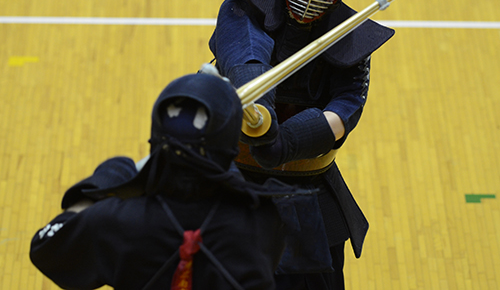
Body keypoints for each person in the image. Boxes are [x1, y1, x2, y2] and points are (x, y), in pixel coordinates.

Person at [209, 0, 395, 289]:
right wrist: (260, 112)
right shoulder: (242, 9)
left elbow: (346, 108)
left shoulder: (350, 39)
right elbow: (246, 57)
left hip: (306, 190)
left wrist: (289, 142)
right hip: (230, 181)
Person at [30, 70, 316, 290]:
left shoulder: (115, 222)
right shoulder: (266, 218)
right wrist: (220, 102)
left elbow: (45, 246)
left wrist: (112, 178)